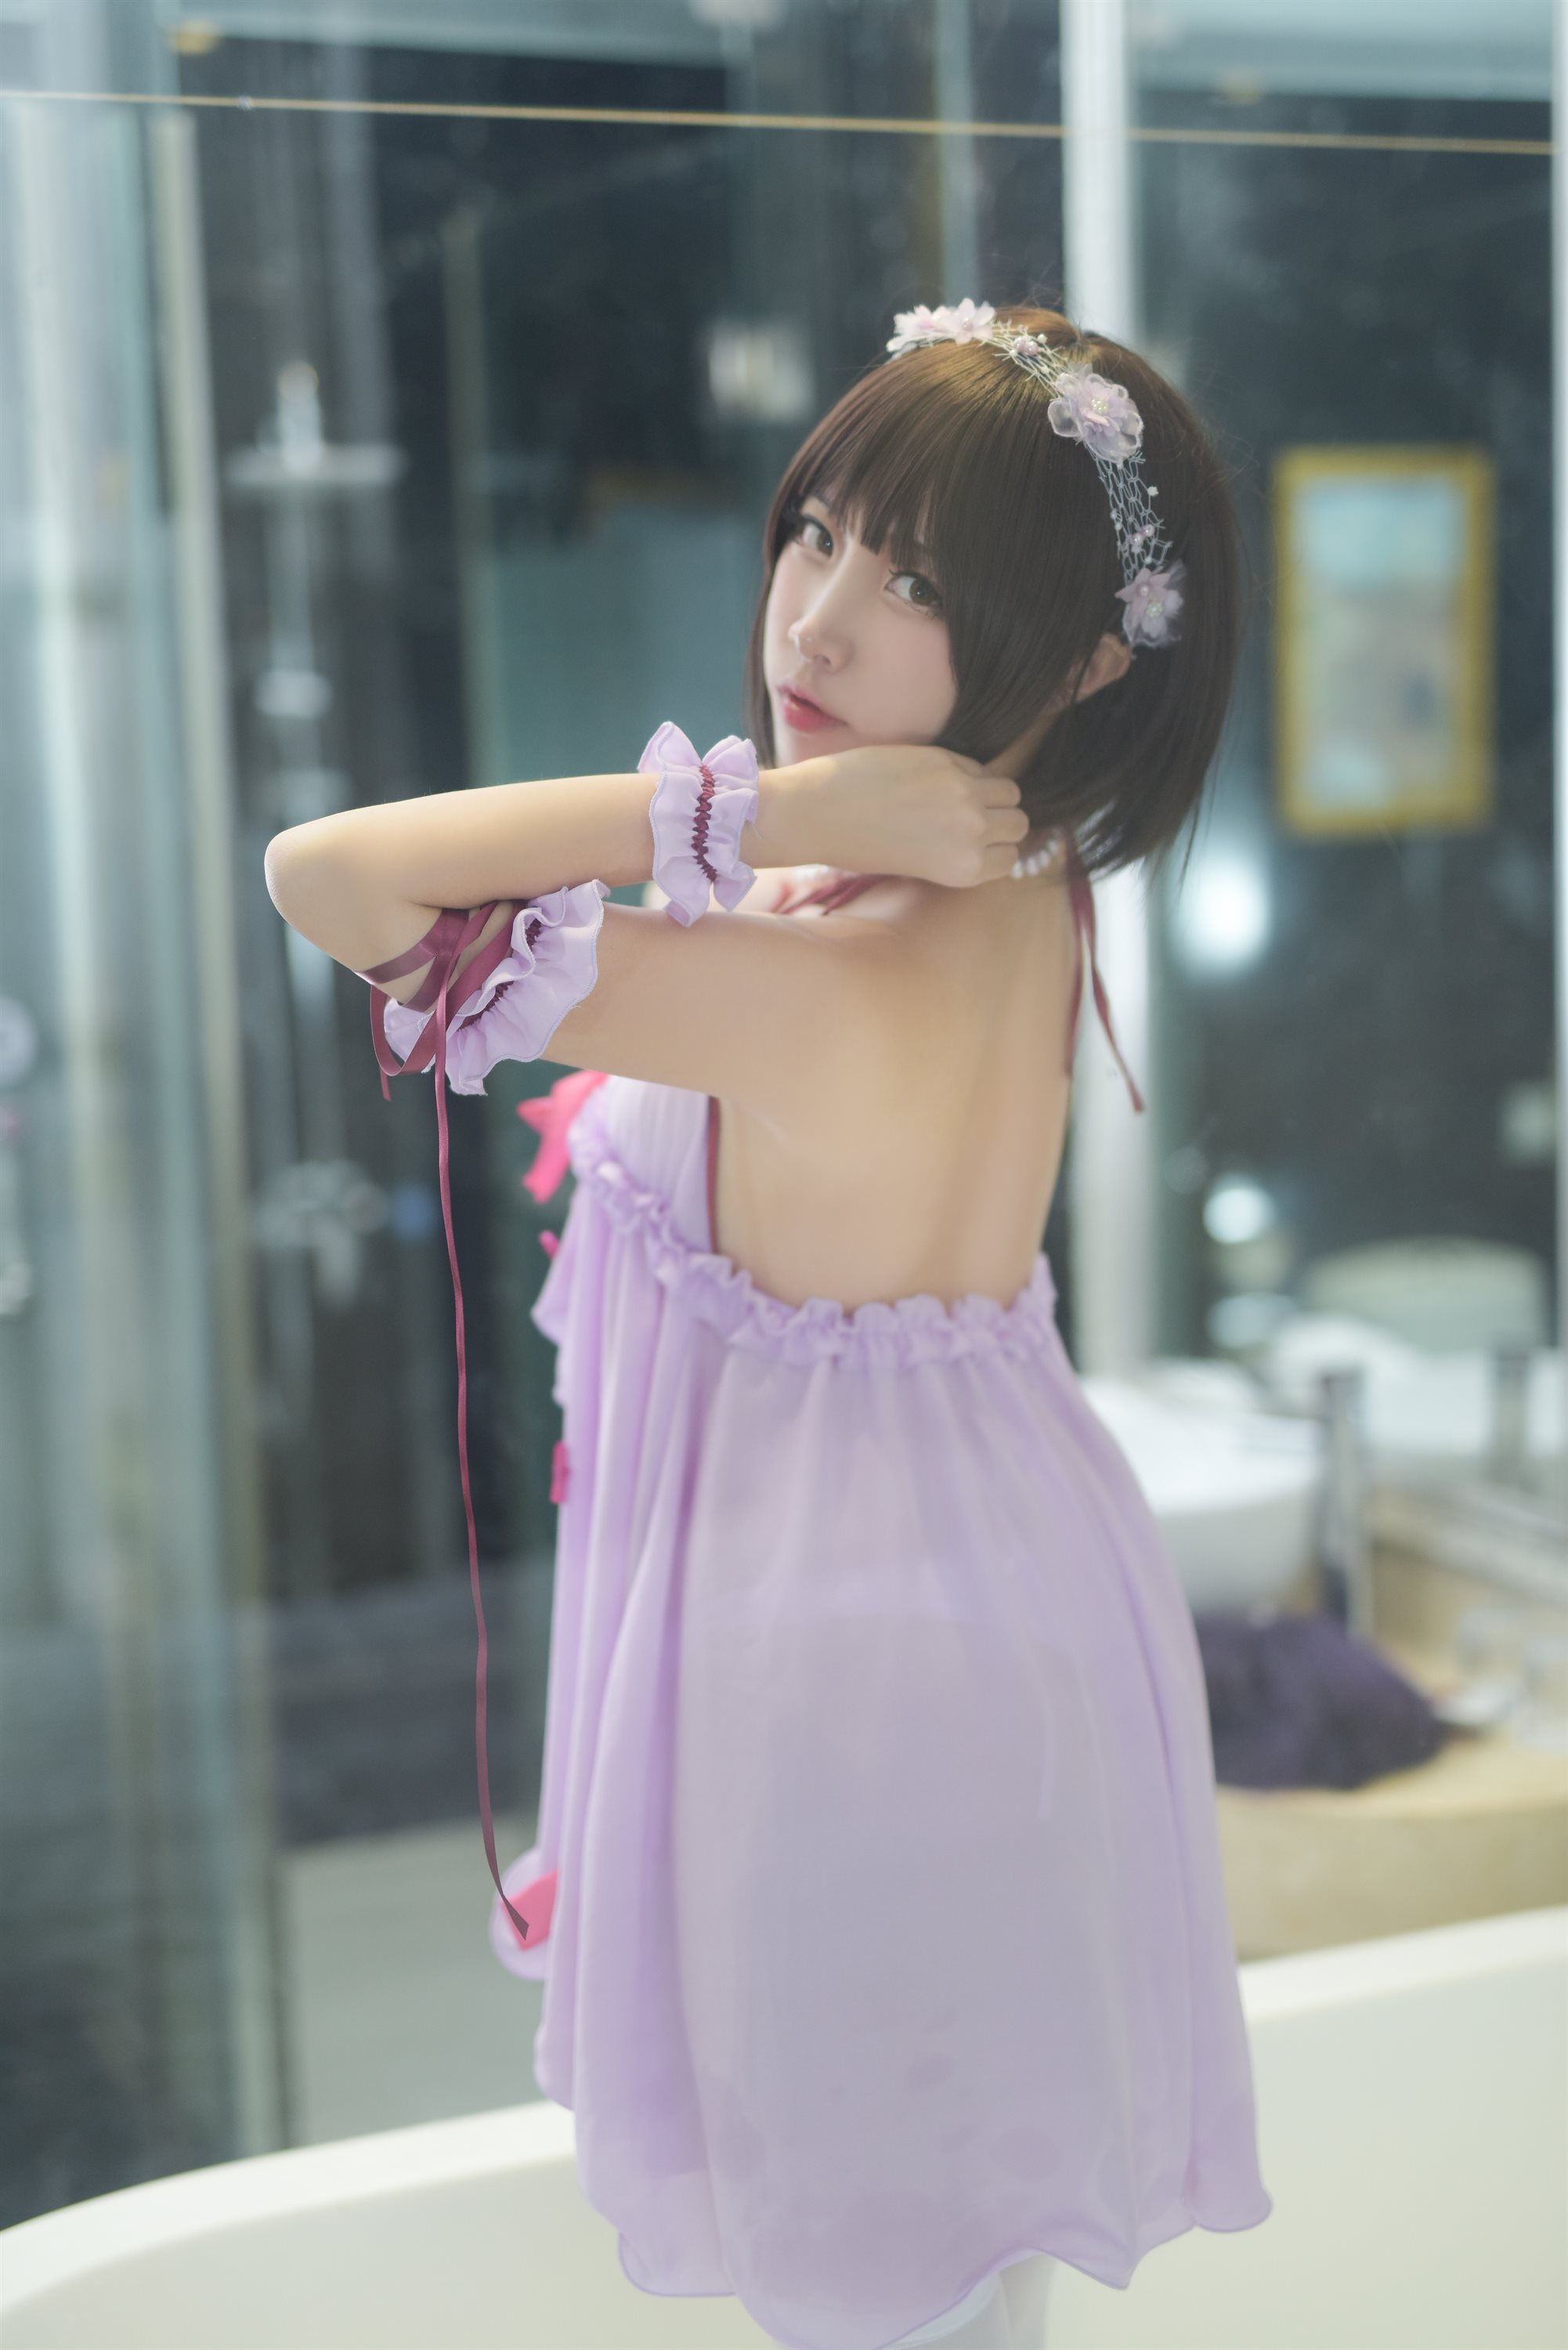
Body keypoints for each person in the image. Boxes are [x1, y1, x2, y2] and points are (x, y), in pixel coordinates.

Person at [265, 298, 1273, 2350]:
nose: (814, 623)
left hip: (850, 1682)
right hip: (961, 1610)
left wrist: (776, 816)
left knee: (878, 2282)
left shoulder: (844, 964)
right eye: (816, 532)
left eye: (916, 585)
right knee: (938, 2276)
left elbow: (335, 879)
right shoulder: (1013, 885)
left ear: (1089, 658)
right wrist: (800, 834)